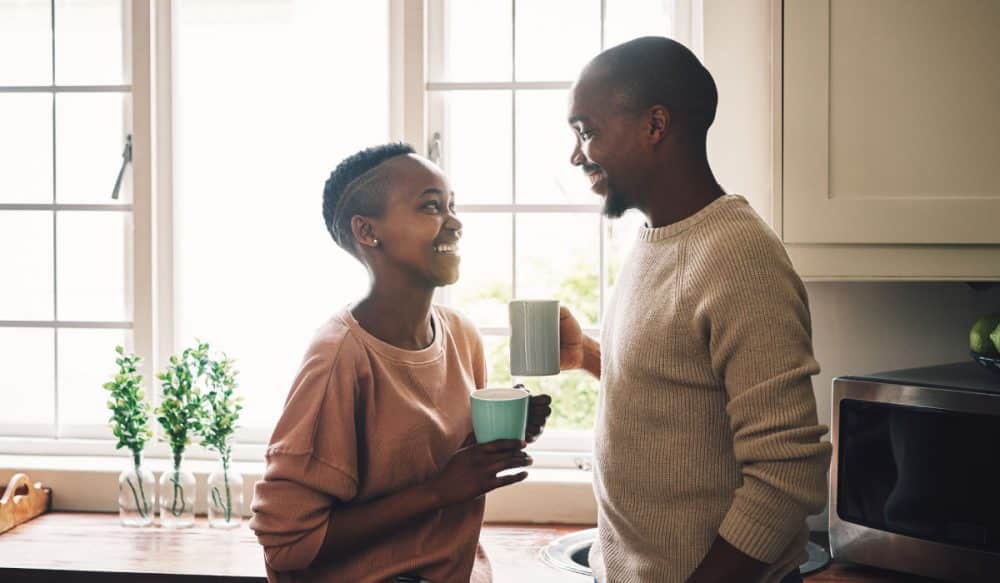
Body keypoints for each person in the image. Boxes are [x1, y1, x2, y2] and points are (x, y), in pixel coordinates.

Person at [558, 37, 832, 583]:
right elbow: (679, 392)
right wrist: (588, 355)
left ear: (655, 125)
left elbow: (788, 472)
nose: (576, 154)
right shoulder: (659, 240)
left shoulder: (739, 257)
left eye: (587, 132)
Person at [250, 143, 553, 583]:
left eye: (452, 206)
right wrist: (437, 491)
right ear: (368, 232)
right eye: (431, 207)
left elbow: (442, 466)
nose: (455, 222)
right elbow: (288, 545)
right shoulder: (339, 356)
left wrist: (499, 440)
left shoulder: (461, 335)